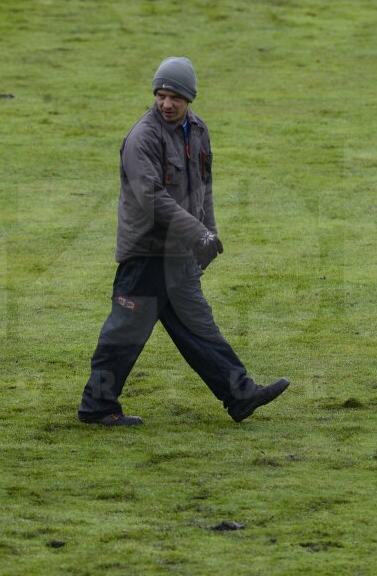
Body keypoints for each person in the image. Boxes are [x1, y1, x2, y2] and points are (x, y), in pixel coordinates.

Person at [77, 56, 289, 426]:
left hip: (178, 255)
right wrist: (198, 233)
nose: (166, 103)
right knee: (125, 333)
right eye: (161, 95)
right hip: (146, 254)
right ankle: (97, 408)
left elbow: (202, 188)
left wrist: (210, 234)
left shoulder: (198, 130)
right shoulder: (142, 137)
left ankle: (240, 395)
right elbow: (153, 199)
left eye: (174, 96)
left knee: (199, 328)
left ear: (189, 98)